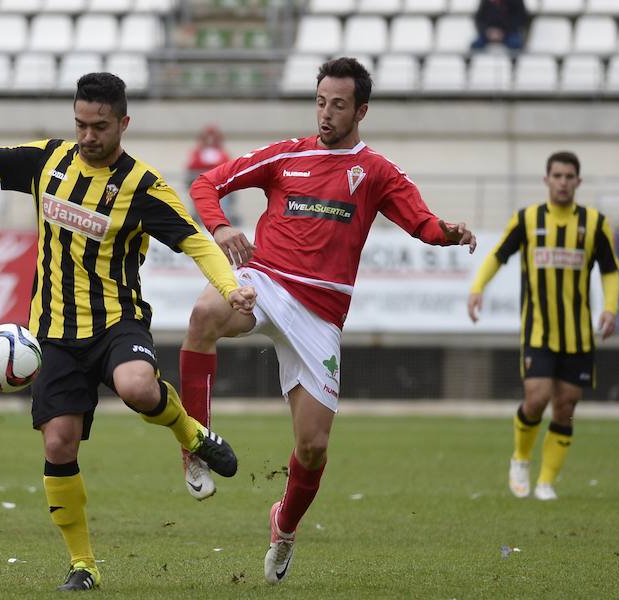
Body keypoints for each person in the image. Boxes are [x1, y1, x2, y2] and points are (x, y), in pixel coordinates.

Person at [0, 72, 256, 592]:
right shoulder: (49, 160)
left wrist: (229, 287)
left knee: (138, 387)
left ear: (123, 123)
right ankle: (83, 565)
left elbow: (195, 241)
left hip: (116, 321)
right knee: (58, 442)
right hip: (51, 333)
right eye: (80, 124)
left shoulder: (142, 186)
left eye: (99, 126)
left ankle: (191, 435)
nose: (87, 136)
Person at [177, 57, 476, 584]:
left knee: (312, 448)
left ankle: (284, 526)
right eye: (320, 102)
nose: (326, 113)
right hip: (263, 281)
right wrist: (221, 228)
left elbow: (421, 222)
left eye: (338, 105)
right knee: (203, 314)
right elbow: (207, 184)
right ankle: (195, 444)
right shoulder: (286, 156)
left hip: (319, 314)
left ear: (361, 109)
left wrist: (447, 232)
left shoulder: (377, 171)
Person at [468, 151, 619, 501]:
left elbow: (611, 270)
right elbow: (498, 256)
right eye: (557, 176)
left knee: (566, 405)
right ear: (547, 180)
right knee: (536, 399)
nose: (563, 182)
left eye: (569, 177)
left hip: (578, 334)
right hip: (538, 331)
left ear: (578, 182)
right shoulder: (528, 219)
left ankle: (546, 481)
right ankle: (521, 458)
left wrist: (610, 308)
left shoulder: (595, 224)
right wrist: (477, 289)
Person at [186, 125, 238, 226]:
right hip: (201, 185)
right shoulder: (198, 152)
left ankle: (223, 224)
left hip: (220, 186)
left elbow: (227, 166)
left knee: (222, 206)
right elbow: (192, 165)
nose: (210, 140)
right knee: (200, 205)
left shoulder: (222, 152)